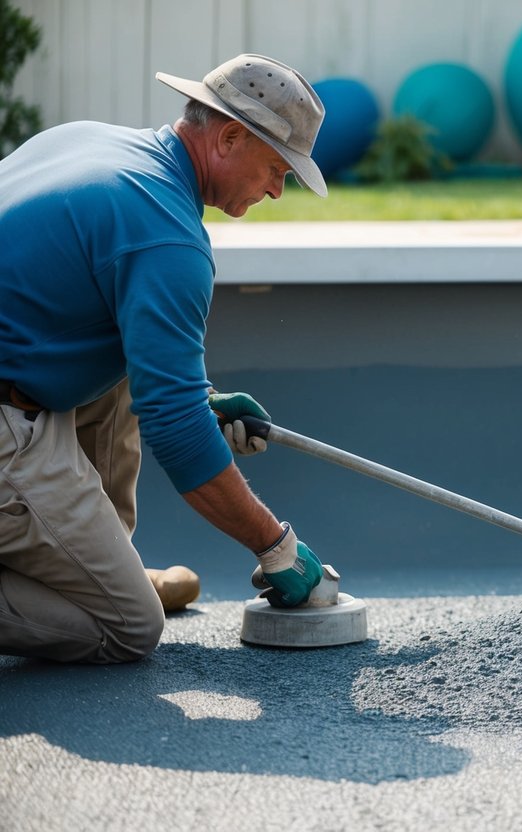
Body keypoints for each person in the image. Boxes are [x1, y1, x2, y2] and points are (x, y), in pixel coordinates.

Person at [0, 54, 330, 664]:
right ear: (230, 136)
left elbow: (56, 303)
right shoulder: (169, 239)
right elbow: (174, 431)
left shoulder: (86, 142)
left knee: (128, 375)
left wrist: (198, 398)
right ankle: (99, 591)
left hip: (15, 370)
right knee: (127, 626)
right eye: (277, 169)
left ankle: (94, 565)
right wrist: (276, 547)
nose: (277, 190)